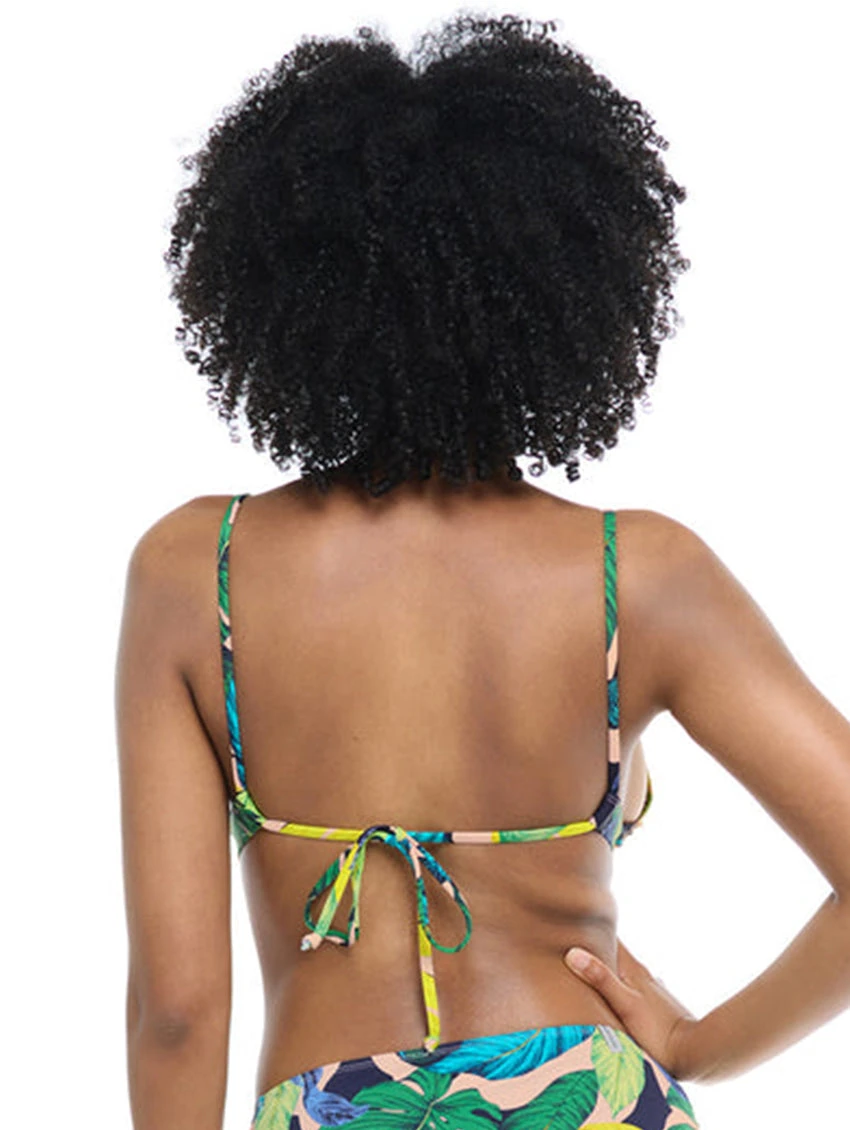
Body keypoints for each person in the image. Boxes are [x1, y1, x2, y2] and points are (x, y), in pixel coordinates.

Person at [116, 13, 850, 1130]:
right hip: (594, 1096)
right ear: (565, 290)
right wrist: (700, 1047)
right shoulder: (637, 573)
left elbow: (176, 1010)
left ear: (282, 285)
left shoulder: (195, 571)